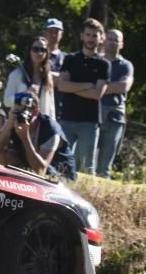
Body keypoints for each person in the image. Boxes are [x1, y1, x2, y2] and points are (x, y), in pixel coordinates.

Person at [57, 18, 110, 175]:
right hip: (67, 118)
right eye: (88, 35)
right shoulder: (70, 59)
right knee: (60, 161)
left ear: (100, 38)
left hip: (89, 122)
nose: (91, 39)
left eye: (94, 35)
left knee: (87, 166)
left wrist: (72, 87)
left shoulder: (104, 64)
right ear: (82, 36)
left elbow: (97, 94)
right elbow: (62, 86)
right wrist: (87, 85)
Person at [0, 91, 76, 181]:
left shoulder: (50, 129)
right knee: (6, 153)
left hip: (59, 175)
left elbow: (41, 170)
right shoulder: (14, 122)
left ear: (37, 112)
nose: (21, 118)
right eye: (17, 112)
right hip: (31, 168)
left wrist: (25, 138)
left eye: (24, 114)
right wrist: (7, 127)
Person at [96, 29, 134, 179]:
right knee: (85, 163)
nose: (112, 42)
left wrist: (98, 88)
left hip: (115, 118)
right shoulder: (97, 61)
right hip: (92, 115)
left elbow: (124, 87)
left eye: (116, 40)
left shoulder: (126, 65)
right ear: (104, 41)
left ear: (121, 44)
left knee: (104, 167)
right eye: (110, 39)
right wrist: (112, 87)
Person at [3, 36, 56, 119]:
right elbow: (6, 101)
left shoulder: (47, 75)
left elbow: (51, 105)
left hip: (42, 125)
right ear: (29, 51)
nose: (39, 53)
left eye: (43, 50)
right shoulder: (16, 74)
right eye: (35, 49)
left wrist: (53, 124)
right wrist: (24, 94)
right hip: (21, 124)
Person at [43, 18, 67, 119]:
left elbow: (66, 80)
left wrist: (47, 74)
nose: (53, 35)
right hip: (42, 107)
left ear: (61, 34)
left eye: (56, 32)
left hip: (61, 109)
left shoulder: (67, 58)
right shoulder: (37, 54)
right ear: (44, 33)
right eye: (50, 31)